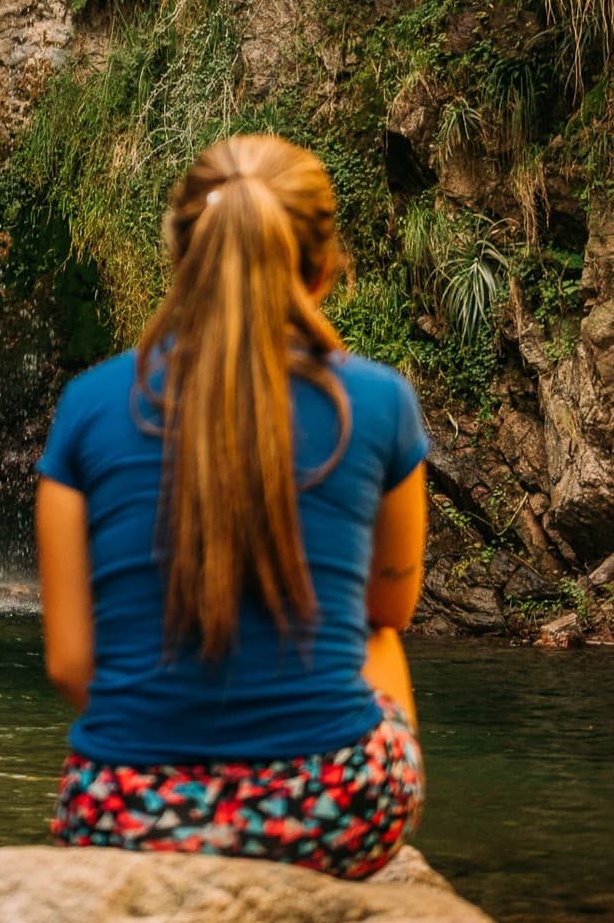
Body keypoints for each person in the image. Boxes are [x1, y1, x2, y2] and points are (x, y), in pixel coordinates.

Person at [36, 134, 428, 877]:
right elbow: (391, 608)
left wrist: (174, 737)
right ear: (321, 266)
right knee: (377, 633)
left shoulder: (87, 405)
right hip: (331, 814)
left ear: (181, 253)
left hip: (125, 815)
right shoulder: (380, 403)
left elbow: (71, 663)